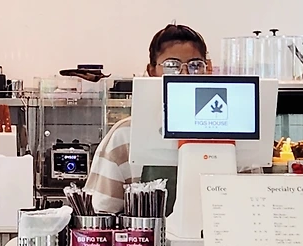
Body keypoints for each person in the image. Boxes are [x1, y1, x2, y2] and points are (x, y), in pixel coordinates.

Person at [85, 24, 211, 214]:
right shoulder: (126, 135)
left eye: (195, 65)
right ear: (152, 71)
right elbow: (100, 213)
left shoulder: (226, 131)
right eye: (171, 66)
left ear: (207, 70)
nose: (184, 74)